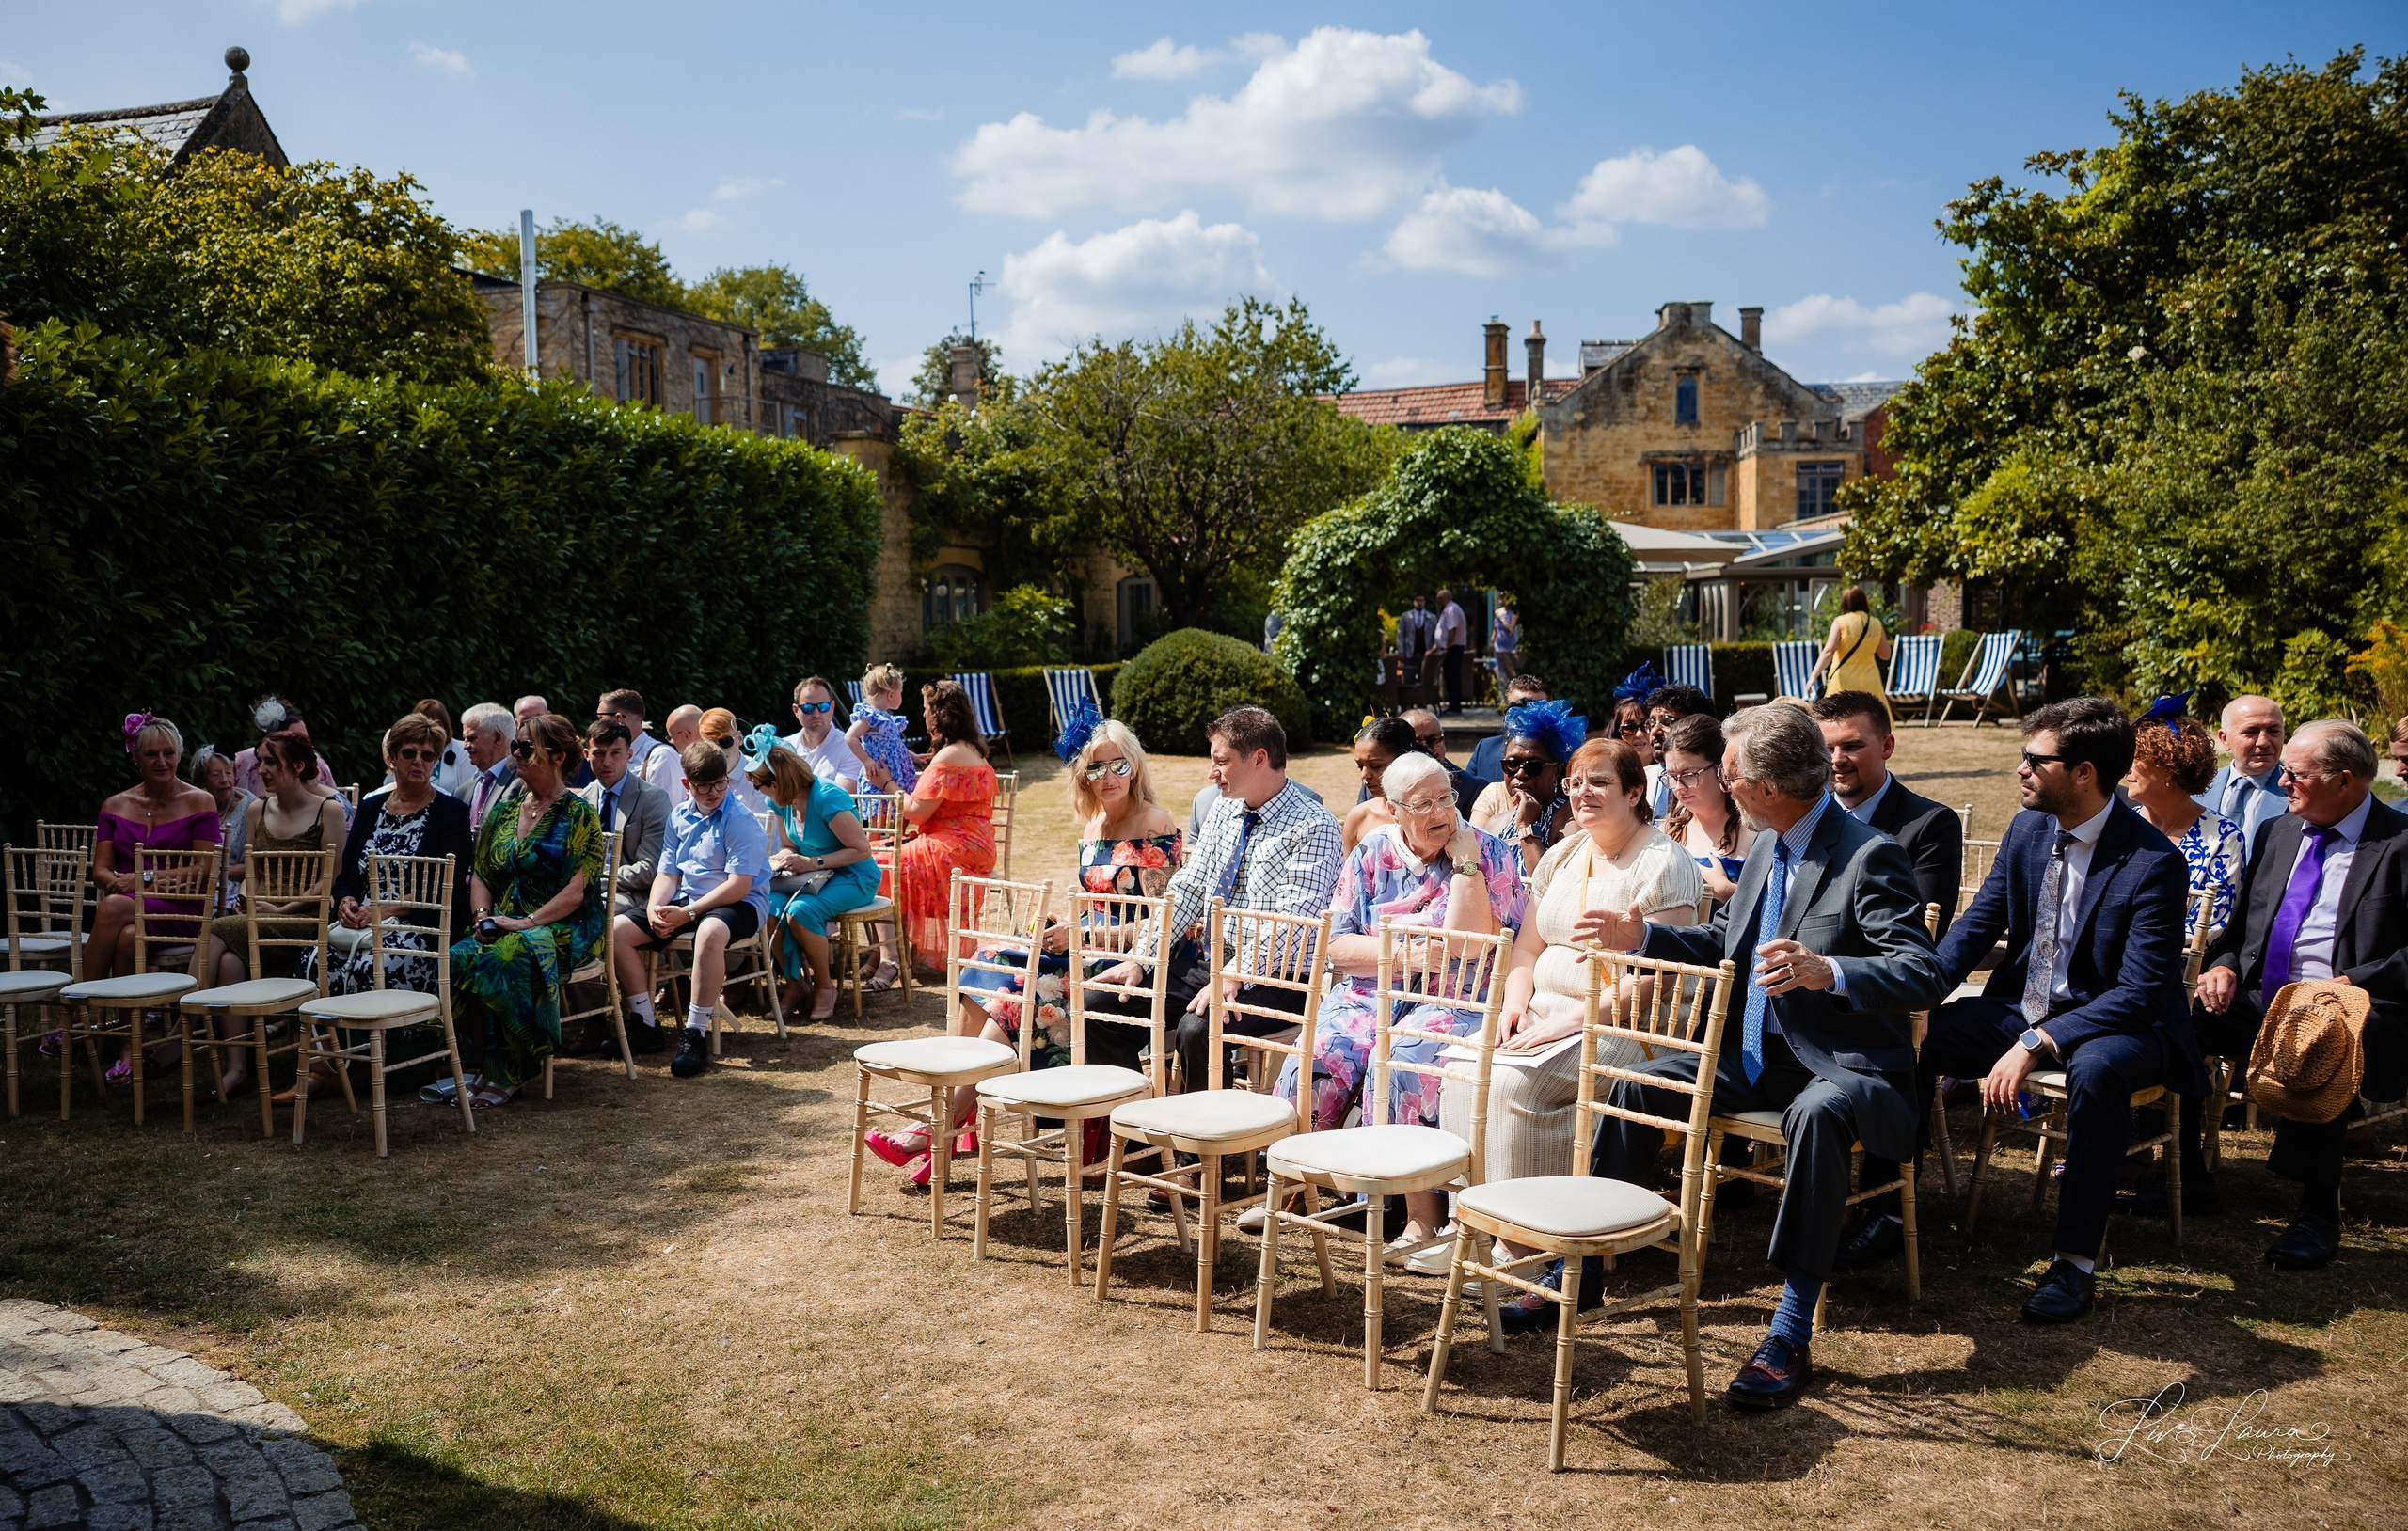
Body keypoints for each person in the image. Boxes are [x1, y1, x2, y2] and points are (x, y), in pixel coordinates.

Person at [1583, 702, 1945, 1407]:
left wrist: (1829, 971)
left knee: (1816, 1115)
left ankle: (1790, 1329)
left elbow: (1922, 972)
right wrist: (1644, 937)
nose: (1720, 782)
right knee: (1635, 1084)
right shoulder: (1767, 844)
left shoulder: (1869, 855)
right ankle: (1584, 1271)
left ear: (1767, 786)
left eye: (1728, 772)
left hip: (1841, 1064)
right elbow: (1726, 941)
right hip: (1754, 1060)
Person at [1861, 699, 2196, 1321]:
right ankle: (1885, 1210)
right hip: (2025, 1004)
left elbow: (2141, 990)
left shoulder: (2153, 862)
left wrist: (2038, 1042)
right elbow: (1977, 926)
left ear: (2084, 773)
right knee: (1906, 1038)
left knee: (2096, 1071)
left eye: (2034, 760)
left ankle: (2074, 1264)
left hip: (2121, 1022)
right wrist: (1917, 993)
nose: (2020, 769)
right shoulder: (2028, 830)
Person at [878, 716, 1190, 1181]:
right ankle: (950, 1117)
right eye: (1095, 768)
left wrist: (1084, 936)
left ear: (1136, 767)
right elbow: (1093, 904)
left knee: (1020, 992)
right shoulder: (1094, 826)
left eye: (1119, 766)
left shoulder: (1154, 823)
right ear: (1083, 776)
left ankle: (938, 1125)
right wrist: (1066, 926)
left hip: (1134, 960)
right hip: (1086, 946)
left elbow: (1163, 922)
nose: (1108, 777)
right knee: (986, 960)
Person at [1447, 738, 1699, 1306]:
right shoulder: (1564, 854)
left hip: (1629, 1027)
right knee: (1463, 1068)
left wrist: (1572, 1021)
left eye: (1600, 782)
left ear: (1634, 792)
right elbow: (1527, 949)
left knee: (1515, 1083)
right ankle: (1478, 1225)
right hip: (1545, 1015)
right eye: (1576, 782)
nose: (1583, 793)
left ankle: (1533, 1242)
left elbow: (1662, 976)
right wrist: (1515, 1005)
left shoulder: (1663, 861)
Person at [1273, 751, 1524, 1255]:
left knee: (1404, 1059)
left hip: (1457, 998)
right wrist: (1402, 955)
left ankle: (1420, 1216)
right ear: (1393, 809)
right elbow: (1336, 945)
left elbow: (1468, 946)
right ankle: (1300, 1187)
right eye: (1423, 804)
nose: (1441, 812)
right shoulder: (1371, 852)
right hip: (1371, 992)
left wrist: (1466, 864)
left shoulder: (1488, 853)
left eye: (1446, 798)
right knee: (1318, 1053)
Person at [2190, 719, 2408, 1270]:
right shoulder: (2279, 831)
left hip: (2356, 1005)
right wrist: (2224, 966)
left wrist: (2350, 982)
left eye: (2296, 774)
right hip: (2266, 997)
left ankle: (2317, 1212)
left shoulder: (2400, 843)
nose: (2282, 782)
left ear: (2345, 780)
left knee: (2321, 1034)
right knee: (2172, 1013)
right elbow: (2242, 924)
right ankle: (2183, 1175)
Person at [1086, 706, 1345, 1096]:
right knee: (1098, 1003)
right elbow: (1188, 889)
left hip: (1280, 977)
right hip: (1213, 965)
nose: (1212, 773)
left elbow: (1292, 925)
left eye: (1221, 761)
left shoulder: (1314, 824)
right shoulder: (1224, 809)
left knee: (1198, 1028)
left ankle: (1208, 1134)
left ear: (1259, 759)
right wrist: (1142, 957)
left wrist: (1231, 976)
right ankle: (1138, 1126)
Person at [449, 712, 606, 1106]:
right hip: (504, 919)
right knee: (458, 957)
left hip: (564, 924)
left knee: (507, 958)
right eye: (515, 746)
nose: (515, 754)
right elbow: (481, 875)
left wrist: (526, 922)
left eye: (525, 747)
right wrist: (482, 918)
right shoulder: (504, 811)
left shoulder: (579, 814)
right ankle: (482, 1063)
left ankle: (510, 1072)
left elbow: (577, 891)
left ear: (557, 757)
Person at [200, 732, 348, 1096]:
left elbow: (328, 880)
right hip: (258, 918)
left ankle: (182, 1025)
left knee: (216, 928)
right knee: (229, 964)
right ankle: (237, 1068)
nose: (261, 769)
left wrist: (281, 908)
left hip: (304, 919)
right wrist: (246, 899)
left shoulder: (327, 810)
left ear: (296, 766)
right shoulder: (258, 809)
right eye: (260, 761)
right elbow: (252, 874)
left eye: (271, 762)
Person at [611, 740, 769, 1077]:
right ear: (687, 784)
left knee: (709, 932)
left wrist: (689, 913)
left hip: (741, 903)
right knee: (617, 931)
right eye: (704, 786)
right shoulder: (678, 815)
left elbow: (739, 885)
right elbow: (668, 873)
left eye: (720, 784)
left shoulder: (740, 820)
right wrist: (655, 907)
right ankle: (645, 1025)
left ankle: (694, 1033)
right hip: (688, 899)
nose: (714, 793)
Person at [84, 715, 223, 1081]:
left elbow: (203, 869)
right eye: (151, 755)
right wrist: (119, 882)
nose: (162, 762)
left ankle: (77, 1010)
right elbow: (100, 870)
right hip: (130, 908)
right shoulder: (114, 804)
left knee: (112, 906)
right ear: (135, 757)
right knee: (128, 937)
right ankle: (129, 1047)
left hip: (182, 908)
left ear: (179, 755)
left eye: (169, 753)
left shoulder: (200, 801)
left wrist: (141, 880)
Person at [319, 711, 475, 1002]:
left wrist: (382, 911)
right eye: (409, 753)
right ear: (391, 758)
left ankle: (384, 1032)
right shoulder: (370, 807)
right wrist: (346, 902)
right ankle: (335, 1032)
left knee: (372, 967)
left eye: (427, 755)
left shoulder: (452, 813)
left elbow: (444, 885)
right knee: (313, 959)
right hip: (360, 922)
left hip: (418, 924)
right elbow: (345, 876)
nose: (418, 761)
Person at [745, 725, 879, 1021]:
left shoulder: (827, 797)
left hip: (854, 877)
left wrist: (813, 862)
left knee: (801, 911)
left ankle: (824, 987)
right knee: (768, 906)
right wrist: (779, 860)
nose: (758, 793)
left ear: (777, 783)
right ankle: (795, 985)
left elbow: (861, 850)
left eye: (759, 786)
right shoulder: (779, 801)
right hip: (810, 878)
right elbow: (789, 845)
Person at [1813, 690, 1964, 931]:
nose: (1837, 759)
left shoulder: (1931, 826)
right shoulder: (1808, 812)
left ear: (1886, 746)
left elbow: (1917, 929)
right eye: (1827, 749)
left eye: (1852, 746)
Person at [895, 680, 1000, 966]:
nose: (923, 714)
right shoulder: (973, 750)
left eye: (926, 708)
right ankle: (889, 955)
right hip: (976, 845)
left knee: (880, 864)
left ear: (940, 714)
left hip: (954, 849)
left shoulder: (949, 754)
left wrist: (889, 784)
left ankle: (890, 958)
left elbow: (917, 813)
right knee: (887, 856)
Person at [2125, 710, 2242, 939]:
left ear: (2170, 765)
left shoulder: (2222, 836)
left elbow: (2210, 928)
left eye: (2136, 758)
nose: (2126, 768)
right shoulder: (2121, 826)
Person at [1471, 701, 1584, 868]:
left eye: (1534, 766)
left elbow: (1545, 883)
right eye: (1512, 764)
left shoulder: (1573, 821)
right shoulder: (1495, 824)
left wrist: (1527, 828)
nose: (1520, 774)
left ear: (1557, 770)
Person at [575, 719, 668, 921]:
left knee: (586, 913)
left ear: (629, 754)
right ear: (586, 755)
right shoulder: (580, 802)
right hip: (580, 889)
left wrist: (594, 881)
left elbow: (650, 868)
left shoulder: (652, 799)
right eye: (599, 753)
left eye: (615, 753)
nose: (606, 762)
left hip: (630, 894)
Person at [1661, 713, 1753, 908]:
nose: (1679, 787)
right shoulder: (1666, 832)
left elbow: (1779, 906)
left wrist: (1726, 891)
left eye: (1689, 774)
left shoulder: (1756, 831)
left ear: (1721, 769)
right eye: (1671, 776)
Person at [2199, 694, 2288, 857]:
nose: (2263, 742)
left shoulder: (2300, 792)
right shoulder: (2197, 788)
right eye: (2251, 732)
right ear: (2225, 739)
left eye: (2273, 731)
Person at [231, 696, 342, 810]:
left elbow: (338, 808)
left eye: (305, 739)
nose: (306, 746)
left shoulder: (317, 766)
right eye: (296, 741)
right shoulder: (244, 762)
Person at [189, 743, 255, 912]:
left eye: (228, 773)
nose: (224, 780)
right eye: (216, 775)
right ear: (203, 779)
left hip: (231, 894)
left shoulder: (251, 807)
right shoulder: (191, 804)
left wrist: (216, 871)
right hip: (192, 886)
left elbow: (257, 865)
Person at [1341, 717, 1422, 855]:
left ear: (1404, 759)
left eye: (1375, 766)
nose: (1365, 775)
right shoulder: (1358, 818)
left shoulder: (1432, 814)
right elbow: (1348, 868)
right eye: (1360, 766)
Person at [1808, 586, 1893, 715]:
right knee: (1874, 719)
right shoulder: (1876, 623)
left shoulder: (1840, 622)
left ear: (1844, 603)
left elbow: (1828, 651)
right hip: (1870, 680)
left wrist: (1814, 676)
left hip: (1843, 680)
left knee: (1838, 717)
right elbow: (1885, 655)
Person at [781, 676, 867, 790]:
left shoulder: (851, 749)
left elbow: (839, 797)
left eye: (823, 707)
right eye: (808, 708)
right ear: (796, 710)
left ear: (832, 707)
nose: (816, 714)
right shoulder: (783, 748)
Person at [1643, 684, 1717, 817]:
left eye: (1666, 722)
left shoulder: (1718, 784)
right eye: (1651, 723)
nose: (1655, 731)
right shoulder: (1640, 779)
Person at [844, 664, 918, 795]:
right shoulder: (871, 717)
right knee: (881, 805)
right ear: (891, 695)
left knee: (895, 805)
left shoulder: (886, 718)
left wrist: (913, 756)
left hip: (893, 776)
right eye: (900, 692)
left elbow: (894, 745)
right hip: (879, 776)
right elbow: (850, 736)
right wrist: (866, 760)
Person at [595, 690, 678, 802]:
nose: (598, 725)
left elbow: (669, 808)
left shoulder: (661, 756)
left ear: (618, 719)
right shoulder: (609, 758)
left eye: (601, 718)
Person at [1466, 672, 1548, 782]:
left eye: (1536, 711)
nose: (1526, 719)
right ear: (1506, 715)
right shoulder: (1486, 749)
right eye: (1518, 710)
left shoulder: (1562, 756)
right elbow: (1466, 788)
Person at [697, 707, 770, 816]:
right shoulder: (700, 776)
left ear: (740, 738)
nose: (719, 751)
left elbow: (767, 825)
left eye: (725, 741)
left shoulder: (760, 775)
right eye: (710, 745)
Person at [458, 702, 518, 830]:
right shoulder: (461, 792)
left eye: (471, 738)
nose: (465, 746)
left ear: (497, 739)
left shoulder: (522, 784)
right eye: (465, 739)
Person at [413, 699, 475, 801]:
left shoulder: (463, 750)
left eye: (438, 724)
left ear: (446, 726)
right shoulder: (408, 752)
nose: (431, 729)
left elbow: (468, 793)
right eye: (424, 724)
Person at [1397, 593, 1439, 705]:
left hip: (1425, 654)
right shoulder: (1406, 616)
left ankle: (1422, 704)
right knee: (1408, 679)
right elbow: (1400, 635)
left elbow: (1436, 637)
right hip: (1409, 654)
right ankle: (1407, 705)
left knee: (1424, 680)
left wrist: (1434, 650)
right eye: (1418, 600)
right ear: (1414, 602)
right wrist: (1401, 652)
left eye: (1422, 600)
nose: (1420, 602)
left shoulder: (1431, 617)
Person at [659, 705, 704, 810]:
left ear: (686, 735)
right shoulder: (723, 760)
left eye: (670, 737)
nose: (671, 742)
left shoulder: (672, 762)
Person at [1434, 586, 1469, 715]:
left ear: (1444, 598)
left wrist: (1447, 647)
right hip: (1451, 647)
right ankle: (1453, 705)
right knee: (1450, 676)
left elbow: (1452, 629)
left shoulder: (1451, 609)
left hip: (1453, 648)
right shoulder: (1449, 609)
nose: (1437, 601)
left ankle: (1455, 707)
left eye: (1439, 598)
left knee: (1452, 676)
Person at [1490, 594, 1521, 685]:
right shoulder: (1498, 612)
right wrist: (1492, 642)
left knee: (1511, 672)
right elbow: (1495, 630)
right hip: (1499, 646)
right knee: (1501, 671)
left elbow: (1511, 629)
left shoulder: (1513, 613)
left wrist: (1502, 619)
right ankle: (1501, 690)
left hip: (1510, 647)